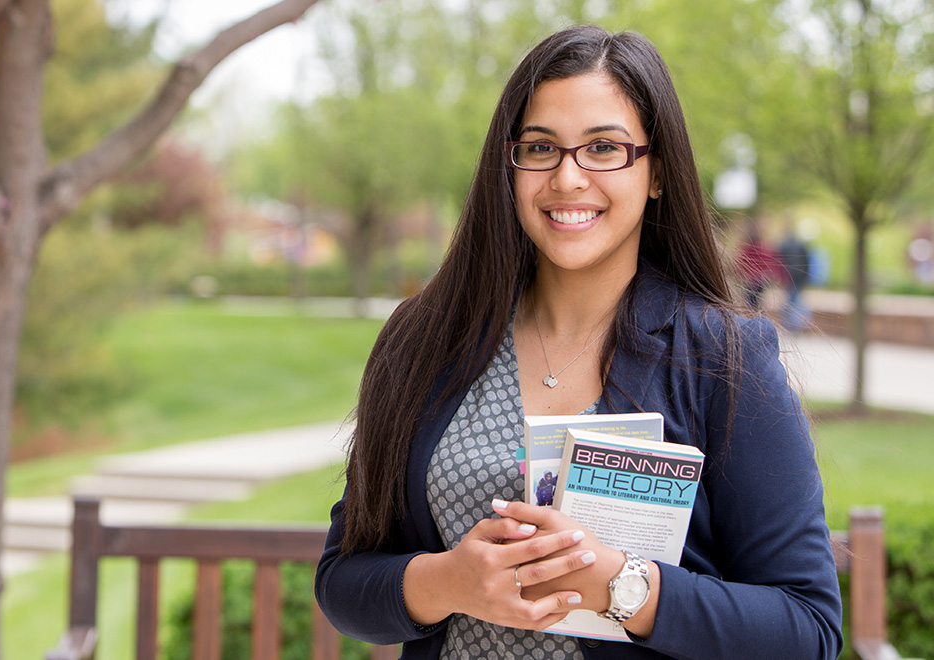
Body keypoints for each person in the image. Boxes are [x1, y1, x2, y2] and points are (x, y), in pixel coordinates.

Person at [315, 25, 842, 660]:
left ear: (657, 174)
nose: (567, 178)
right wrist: (448, 581)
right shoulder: (424, 341)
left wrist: (621, 586)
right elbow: (342, 581)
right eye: (541, 148)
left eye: (603, 148)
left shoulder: (721, 358)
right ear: (509, 166)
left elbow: (807, 628)